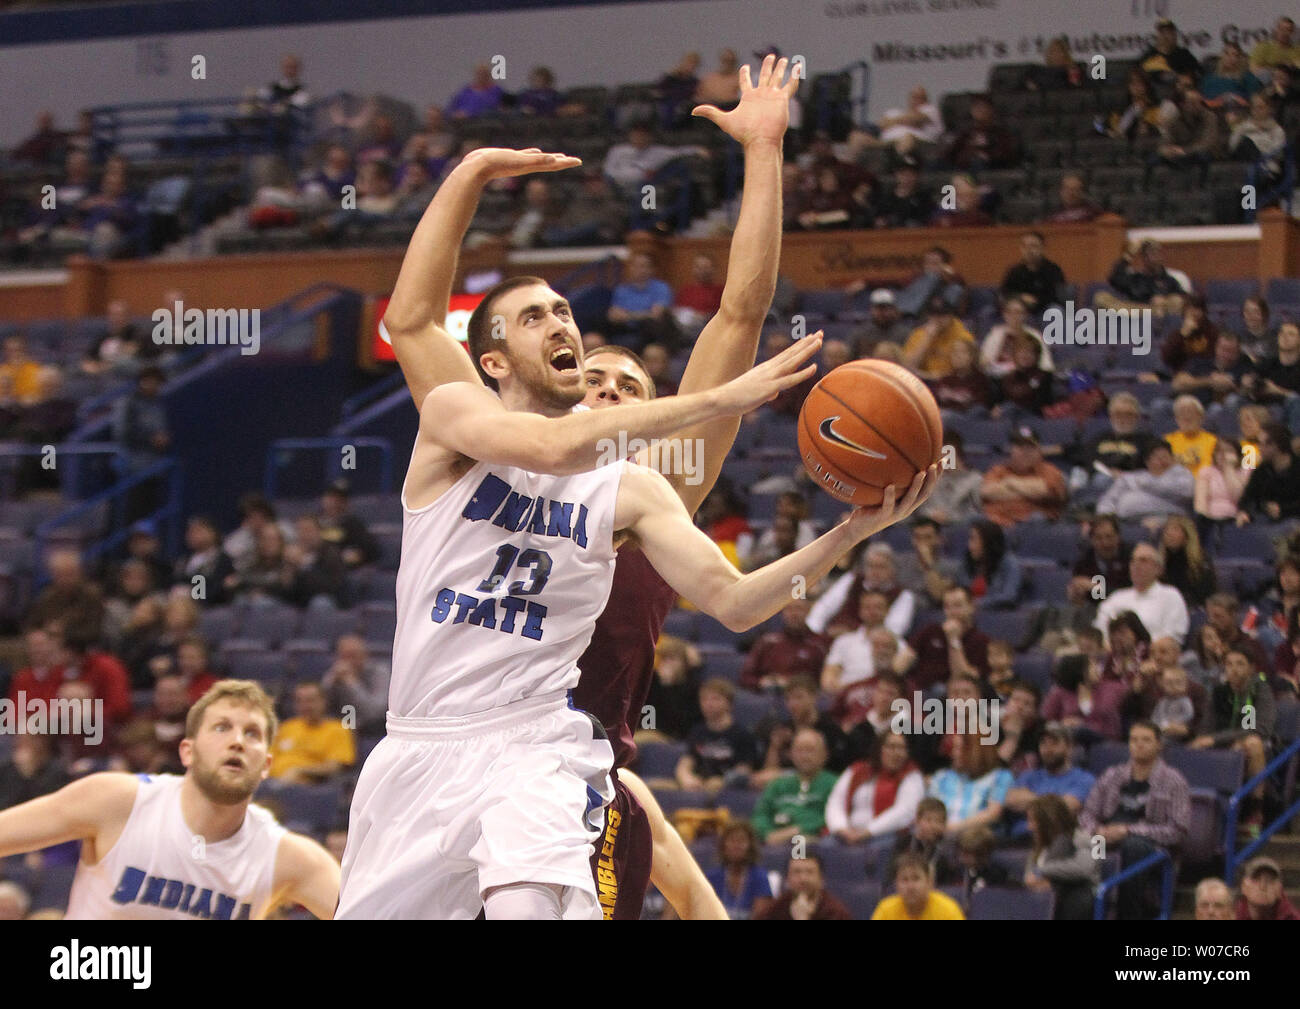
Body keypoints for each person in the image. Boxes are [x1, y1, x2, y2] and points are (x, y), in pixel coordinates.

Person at [364, 58, 935, 920]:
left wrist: (765, 151)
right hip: (428, 742)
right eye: (597, 379)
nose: (610, 396)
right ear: (505, 365)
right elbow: (415, 323)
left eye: (633, 392)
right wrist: (473, 169)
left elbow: (739, 315)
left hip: (558, 761)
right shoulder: (468, 422)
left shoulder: (645, 483)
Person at [0, 681, 338, 919]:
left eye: (252, 734)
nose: (238, 742)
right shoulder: (116, 801)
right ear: (187, 752)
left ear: (266, 765)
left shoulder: (293, 859)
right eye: (222, 728)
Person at [1079, 720, 1191, 919]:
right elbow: (1087, 813)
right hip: (1105, 840)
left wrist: (1128, 830)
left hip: (1152, 848)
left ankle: (1128, 916)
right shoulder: (1112, 775)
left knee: (1133, 847)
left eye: (1146, 740)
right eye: (1134, 740)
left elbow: (1178, 830)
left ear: (1159, 745)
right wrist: (1097, 830)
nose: (1138, 744)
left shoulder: (1174, 780)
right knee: (1075, 842)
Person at [1189, 648, 1276, 836]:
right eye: (1229, 664)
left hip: (1261, 748)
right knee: (1194, 745)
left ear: (1251, 668)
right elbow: (1206, 729)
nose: (1233, 669)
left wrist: (1217, 739)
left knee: (1251, 743)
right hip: (1224, 747)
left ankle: (1255, 811)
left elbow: (1258, 729)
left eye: (1240, 664)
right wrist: (1208, 740)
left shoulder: (1259, 689)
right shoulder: (1219, 692)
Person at [825, 730, 923, 844]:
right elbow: (836, 802)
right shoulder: (857, 770)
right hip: (847, 833)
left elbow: (905, 811)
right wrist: (842, 829)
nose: (897, 753)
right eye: (891, 747)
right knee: (825, 846)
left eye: (902, 748)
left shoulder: (911, 775)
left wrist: (868, 832)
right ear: (879, 749)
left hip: (885, 834)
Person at [1003, 723, 1096, 836]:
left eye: (1054, 743)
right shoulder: (1029, 776)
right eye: (1043, 743)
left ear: (1069, 748)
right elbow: (1009, 799)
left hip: (1056, 840)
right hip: (1019, 839)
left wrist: (1029, 800)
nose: (1048, 749)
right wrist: (1052, 802)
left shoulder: (1084, 779)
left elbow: (1066, 808)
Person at [751, 728, 839, 844]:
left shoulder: (835, 783)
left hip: (811, 841)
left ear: (824, 754)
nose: (804, 756)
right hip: (774, 840)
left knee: (801, 848)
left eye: (810, 750)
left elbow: (833, 817)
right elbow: (760, 815)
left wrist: (796, 830)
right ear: (791, 754)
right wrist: (768, 834)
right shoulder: (778, 784)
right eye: (799, 751)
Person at [1094, 543, 1190, 645]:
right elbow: (1099, 632)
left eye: (1143, 560)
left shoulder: (1171, 596)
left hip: (1154, 656)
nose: (1136, 565)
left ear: (1158, 569)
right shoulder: (1116, 598)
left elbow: (1173, 636)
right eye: (1133, 561)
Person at [1024, 793, 1099, 920]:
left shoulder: (1082, 838)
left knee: (1079, 898)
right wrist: (1035, 881)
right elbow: (1029, 877)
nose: (1029, 827)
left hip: (1077, 893)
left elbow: (1085, 869)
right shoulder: (1040, 844)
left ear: (1048, 821)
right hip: (1046, 896)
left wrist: (1042, 871)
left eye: (1033, 821)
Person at [675, 678, 758, 792]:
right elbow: (687, 761)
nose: (709, 704)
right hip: (699, 783)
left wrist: (723, 781)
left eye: (715, 699)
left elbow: (744, 769)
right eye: (704, 699)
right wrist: (686, 778)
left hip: (727, 789)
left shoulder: (742, 734)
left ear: (729, 704)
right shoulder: (698, 731)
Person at [268, 682, 356, 784]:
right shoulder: (287, 727)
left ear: (323, 702)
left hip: (306, 786)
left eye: (310, 701)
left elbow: (334, 767)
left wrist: (300, 770)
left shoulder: (338, 729)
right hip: (271, 782)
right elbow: (267, 759)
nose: (304, 706)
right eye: (299, 701)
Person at [980, 428, 1068, 527]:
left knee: (1037, 518)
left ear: (1038, 450)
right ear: (1011, 449)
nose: (1026, 452)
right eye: (1020, 447)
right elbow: (987, 492)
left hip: (1032, 526)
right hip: (996, 524)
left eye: (1030, 447)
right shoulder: (998, 470)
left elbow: (1047, 490)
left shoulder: (1049, 470)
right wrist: (1029, 491)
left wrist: (1010, 482)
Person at [739, 598, 828, 692]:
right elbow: (745, 677)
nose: (794, 614)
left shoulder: (819, 645)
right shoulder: (767, 642)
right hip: (767, 696)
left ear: (808, 610)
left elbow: (822, 682)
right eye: (789, 609)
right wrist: (762, 682)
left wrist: (793, 684)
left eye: (799, 608)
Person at [1095, 441, 1194, 523]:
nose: (1163, 461)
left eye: (1165, 456)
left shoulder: (1181, 473)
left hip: (1168, 520)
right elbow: (1109, 498)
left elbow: (1187, 492)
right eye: (1158, 458)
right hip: (1125, 520)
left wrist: (1146, 483)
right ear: (1147, 462)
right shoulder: (1133, 477)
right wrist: (1105, 515)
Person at [1041, 652, 1127, 743]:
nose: (1097, 669)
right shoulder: (1060, 692)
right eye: (1092, 665)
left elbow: (1133, 692)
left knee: (1081, 731)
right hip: (1071, 741)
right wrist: (1062, 724)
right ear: (1079, 670)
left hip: (1105, 740)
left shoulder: (1112, 688)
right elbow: (1046, 720)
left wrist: (1084, 724)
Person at [704, 821, 772, 919]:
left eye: (741, 841)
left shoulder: (760, 878)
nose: (736, 846)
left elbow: (761, 916)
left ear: (750, 846)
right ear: (723, 846)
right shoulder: (712, 878)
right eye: (732, 840)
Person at [756, 852, 852, 920]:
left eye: (810, 872)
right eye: (797, 872)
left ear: (821, 879)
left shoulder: (836, 913)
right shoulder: (774, 910)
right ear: (787, 879)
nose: (803, 879)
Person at [1237, 421, 1300, 522]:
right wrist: (1244, 512)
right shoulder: (1262, 470)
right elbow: (1247, 498)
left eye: (1261, 444)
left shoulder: (1297, 468)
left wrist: (1283, 509)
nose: (1259, 448)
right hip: (1266, 521)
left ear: (1276, 446)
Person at [872, 851, 965, 920]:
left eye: (916, 878)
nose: (910, 887)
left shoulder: (948, 910)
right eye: (904, 880)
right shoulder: (886, 909)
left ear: (930, 882)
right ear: (896, 884)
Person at [902, 296, 976, 380]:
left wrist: (930, 376)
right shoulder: (920, 333)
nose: (937, 319)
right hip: (923, 382)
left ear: (950, 315)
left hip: (952, 383)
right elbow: (907, 366)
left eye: (942, 315)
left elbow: (965, 371)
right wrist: (927, 338)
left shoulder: (962, 335)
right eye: (934, 315)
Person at [961, 519, 1023, 609]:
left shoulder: (1009, 563)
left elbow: (1009, 596)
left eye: (973, 539)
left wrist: (977, 603)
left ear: (987, 541)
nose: (969, 545)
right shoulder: (967, 562)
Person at [1000, 232, 1066, 314]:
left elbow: (1057, 296)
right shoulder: (1015, 271)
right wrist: (1020, 298)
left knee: (1056, 310)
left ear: (1043, 248)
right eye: (1025, 246)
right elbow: (1004, 292)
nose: (1029, 250)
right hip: (1020, 308)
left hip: (1045, 308)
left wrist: (1035, 300)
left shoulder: (1053, 270)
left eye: (1033, 246)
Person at [1157, 515, 1215, 607]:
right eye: (1167, 530)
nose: (1169, 533)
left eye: (1175, 529)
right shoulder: (1159, 563)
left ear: (1187, 535)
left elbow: (1207, 594)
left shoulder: (1200, 562)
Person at [1235, 856, 1299, 920]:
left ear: (1279, 889)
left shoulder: (1292, 917)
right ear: (1243, 887)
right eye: (1256, 878)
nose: (1263, 886)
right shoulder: (1230, 915)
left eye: (1270, 880)